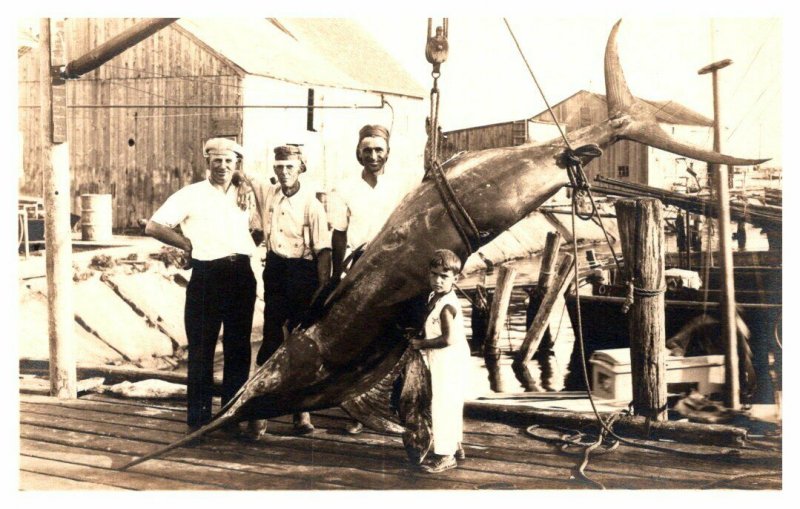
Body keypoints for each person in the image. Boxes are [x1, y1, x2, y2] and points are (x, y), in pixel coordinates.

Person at [145, 137, 257, 431]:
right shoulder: (190, 194)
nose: (222, 166)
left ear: (237, 165)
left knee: (238, 349)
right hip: (207, 276)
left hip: (242, 275)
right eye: (217, 160)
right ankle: (198, 420)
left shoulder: (247, 193)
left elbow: (257, 229)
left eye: (229, 161)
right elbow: (154, 226)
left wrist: (243, 181)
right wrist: (188, 245)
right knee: (201, 348)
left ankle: (231, 418)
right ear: (207, 162)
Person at [238, 144, 332, 440]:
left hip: (303, 274)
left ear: (301, 168)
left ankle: (300, 411)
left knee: (301, 343)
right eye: (279, 167)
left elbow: (324, 252)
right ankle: (260, 413)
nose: (283, 172)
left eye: (289, 166)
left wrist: (322, 289)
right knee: (271, 340)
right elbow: (246, 176)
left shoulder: (312, 205)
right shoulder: (270, 193)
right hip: (276, 271)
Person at [328, 124, 408, 434]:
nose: (373, 155)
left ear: (387, 152)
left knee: (399, 337)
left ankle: (398, 407)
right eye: (367, 150)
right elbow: (339, 233)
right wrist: (337, 276)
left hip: (399, 266)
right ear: (358, 153)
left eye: (378, 150)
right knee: (361, 338)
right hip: (360, 267)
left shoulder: (403, 185)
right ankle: (359, 412)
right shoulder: (345, 188)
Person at [410, 249, 470, 473]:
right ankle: (455, 445)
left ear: (455, 279)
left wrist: (420, 344)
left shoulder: (447, 306)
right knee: (449, 401)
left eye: (444, 277)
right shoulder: (435, 297)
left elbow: (448, 339)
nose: (437, 280)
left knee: (444, 404)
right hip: (442, 358)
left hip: (449, 358)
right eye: (434, 274)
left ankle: (446, 456)